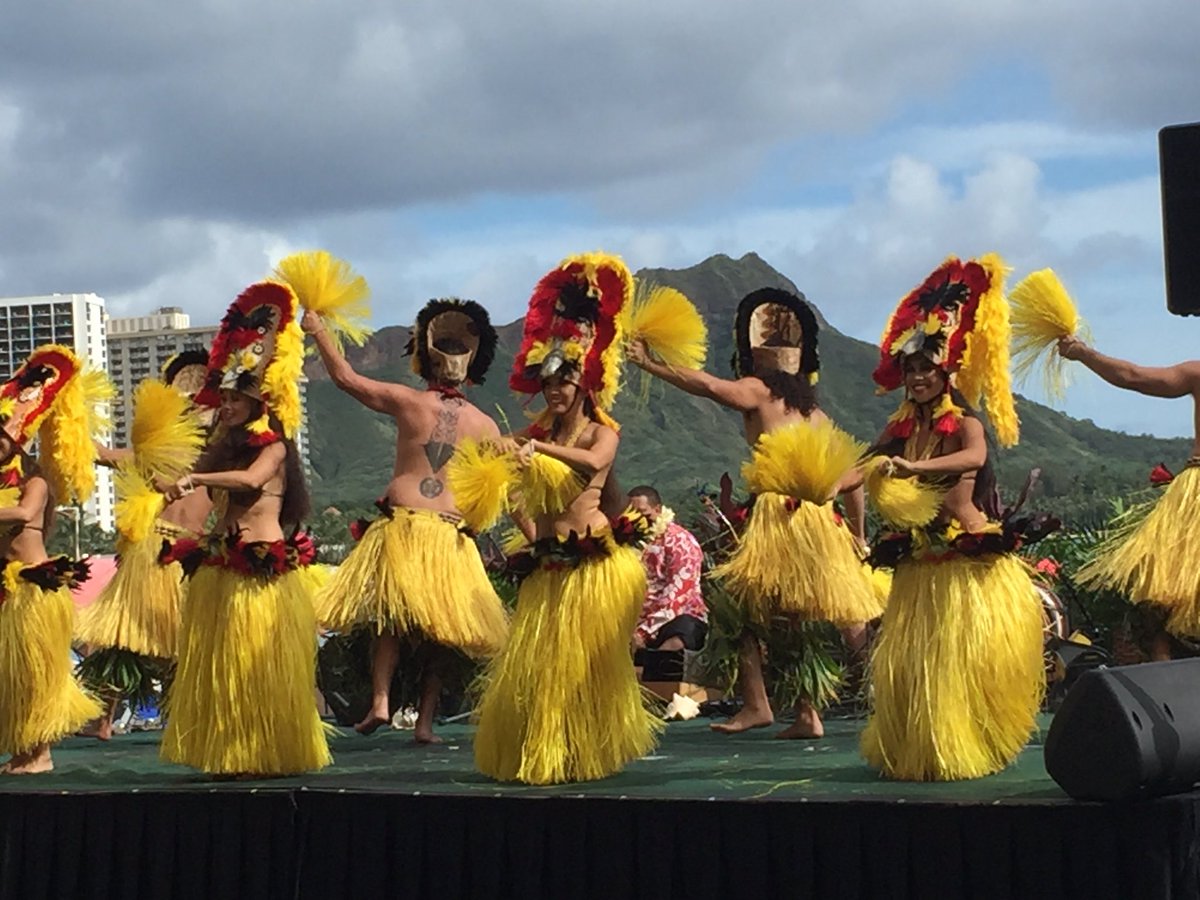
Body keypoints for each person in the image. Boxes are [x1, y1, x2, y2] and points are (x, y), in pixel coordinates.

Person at [627, 287, 881, 739]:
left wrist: (650, 363)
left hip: (781, 521)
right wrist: (859, 535)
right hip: (823, 523)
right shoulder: (815, 413)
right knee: (811, 618)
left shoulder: (758, 389)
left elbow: (708, 385)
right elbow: (853, 476)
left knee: (736, 611)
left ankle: (760, 706)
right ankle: (834, 708)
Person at [458, 251, 660, 784]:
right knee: (538, 670)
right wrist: (501, 452)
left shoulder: (601, 433)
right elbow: (505, 447)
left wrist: (540, 453)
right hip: (548, 571)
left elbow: (594, 464)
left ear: (583, 385)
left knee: (579, 670)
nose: (553, 391)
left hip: (591, 572)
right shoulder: (540, 434)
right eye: (546, 384)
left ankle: (584, 751)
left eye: (563, 383)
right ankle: (545, 751)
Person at [859, 254, 1049, 781]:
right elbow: (861, 467)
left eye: (927, 368)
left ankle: (971, 741)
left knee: (959, 664)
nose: (918, 377)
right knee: (917, 667)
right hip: (921, 564)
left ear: (946, 372)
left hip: (966, 560)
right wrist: (815, 486)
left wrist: (913, 466)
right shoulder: (898, 429)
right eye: (911, 369)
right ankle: (923, 744)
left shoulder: (964, 423)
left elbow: (974, 459)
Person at [306, 298, 508, 743]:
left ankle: (381, 701)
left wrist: (319, 331)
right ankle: (424, 723)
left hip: (404, 528)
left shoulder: (409, 401)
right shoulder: (487, 426)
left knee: (391, 621)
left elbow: (346, 379)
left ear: (423, 358)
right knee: (442, 631)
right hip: (448, 536)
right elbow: (508, 491)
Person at [158, 273, 331, 778]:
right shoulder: (223, 443)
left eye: (236, 399)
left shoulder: (273, 448)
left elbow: (249, 479)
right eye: (225, 399)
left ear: (258, 404)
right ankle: (229, 752)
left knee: (257, 667)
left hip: (262, 573)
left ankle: (265, 752)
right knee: (221, 669)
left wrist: (195, 477)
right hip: (223, 570)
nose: (227, 405)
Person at [79, 350, 213, 739]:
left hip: (188, 554)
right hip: (154, 553)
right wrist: (69, 417)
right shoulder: (161, 453)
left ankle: (172, 722)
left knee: (171, 640)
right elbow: (102, 456)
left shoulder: (222, 454)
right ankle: (107, 720)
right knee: (121, 635)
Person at [0, 345, 108, 774]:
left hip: (35, 590)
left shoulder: (35, 479)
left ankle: (40, 753)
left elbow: (26, 515)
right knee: (13, 675)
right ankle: (23, 750)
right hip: (9, 589)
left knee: (36, 673)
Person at [1057, 336, 1200, 645]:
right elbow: (1133, 377)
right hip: (1194, 499)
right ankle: (1164, 677)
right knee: (1160, 595)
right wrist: (1083, 353)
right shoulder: (1197, 373)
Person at [627, 485, 708, 652]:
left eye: (644, 514)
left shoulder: (680, 541)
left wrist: (644, 631)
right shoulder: (629, 542)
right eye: (632, 517)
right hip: (635, 622)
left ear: (657, 509)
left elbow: (678, 594)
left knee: (677, 638)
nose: (639, 521)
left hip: (676, 619)